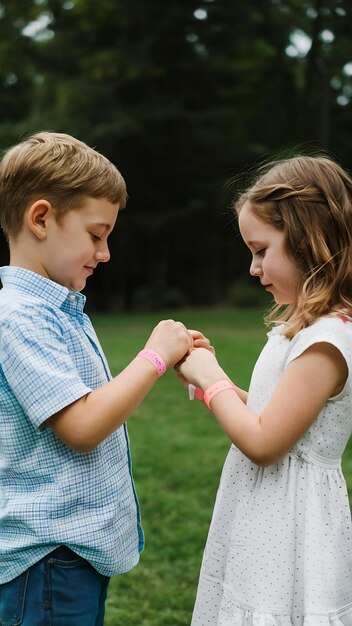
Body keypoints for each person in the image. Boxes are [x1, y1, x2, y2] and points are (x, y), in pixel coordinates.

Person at [0, 131, 210, 626]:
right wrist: (153, 358)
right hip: (47, 556)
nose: (106, 252)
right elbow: (82, 426)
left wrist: (169, 360)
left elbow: (97, 402)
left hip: (71, 554)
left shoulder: (59, 309)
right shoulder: (20, 317)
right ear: (41, 218)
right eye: (97, 235)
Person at [177, 155, 352, 624]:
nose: (253, 268)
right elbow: (269, 415)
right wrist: (208, 381)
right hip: (264, 511)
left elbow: (264, 442)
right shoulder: (300, 329)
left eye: (260, 249)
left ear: (308, 240)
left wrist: (212, 378)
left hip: (293, 522)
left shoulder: (328, 342)